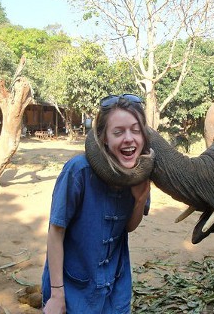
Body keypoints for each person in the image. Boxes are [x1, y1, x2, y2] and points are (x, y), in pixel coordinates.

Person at [41, 94, 151, 313]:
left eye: (135, 130)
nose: (129, 138)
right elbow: (55, 231)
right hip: (73, 289)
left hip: (116, 287)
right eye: (118, 132)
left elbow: (129, 227)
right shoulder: (78, 171)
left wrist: (139, 200)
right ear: (104, 138)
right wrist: (57, 294)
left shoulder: (140, 171)